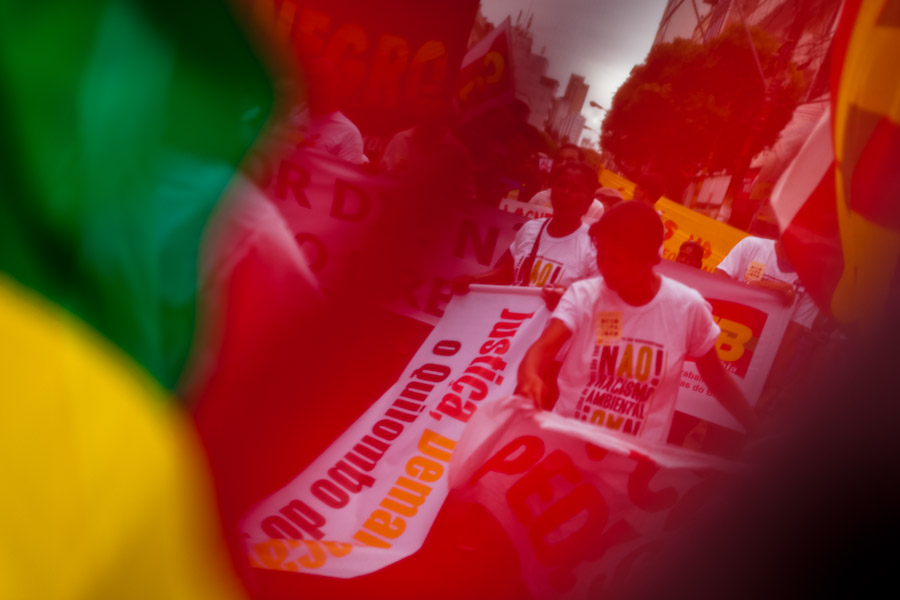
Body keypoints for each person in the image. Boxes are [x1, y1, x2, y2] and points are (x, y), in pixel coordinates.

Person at [516, 201, 759, 442]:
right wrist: (529, 375)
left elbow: (715, 377)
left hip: (632, 464)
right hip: (564, 446)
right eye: (601, 257)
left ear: (649, 259)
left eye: (616, 261)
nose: (604, 268)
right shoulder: (584, 295)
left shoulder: (687, 308)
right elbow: (544, 347)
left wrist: (755, 428)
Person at [451, 161, 600, 310]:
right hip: (508, 324)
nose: (566, 193)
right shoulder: (530, 229)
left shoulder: (593, 249)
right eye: (561, 185)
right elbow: (507, 272)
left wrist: (567, 301)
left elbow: (596, 305)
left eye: (576, 189)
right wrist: (472, 280)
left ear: (589, 200)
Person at [716, 235, 819, 413]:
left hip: (754, 369)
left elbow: (791, 339)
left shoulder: (814, 278)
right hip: (718, 348)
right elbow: (714, 286)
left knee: (722, 432)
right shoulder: (752, 246)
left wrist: (772, 388)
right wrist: (770, 288)